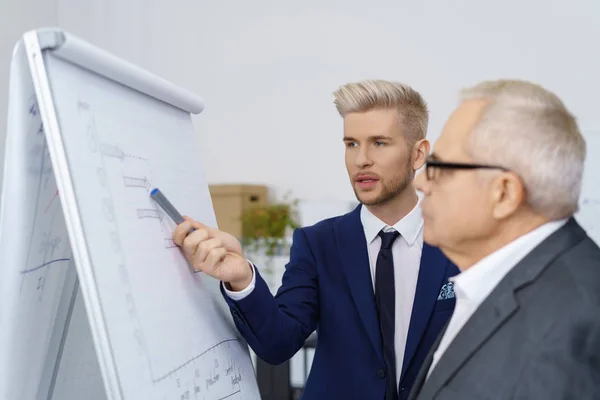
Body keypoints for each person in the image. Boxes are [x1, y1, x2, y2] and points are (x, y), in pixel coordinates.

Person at [173, 79, 459, 400]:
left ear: (418, 153)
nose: (361, 159)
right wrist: (242, 279)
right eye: (351, 144)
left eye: (379, 143)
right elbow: (278, 344)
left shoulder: (461, 239)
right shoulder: (318, 243)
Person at [408, 79, 600, 400]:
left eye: (438, 167)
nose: (420, 182)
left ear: (504, 193)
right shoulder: (508, 286)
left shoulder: (577, 327)